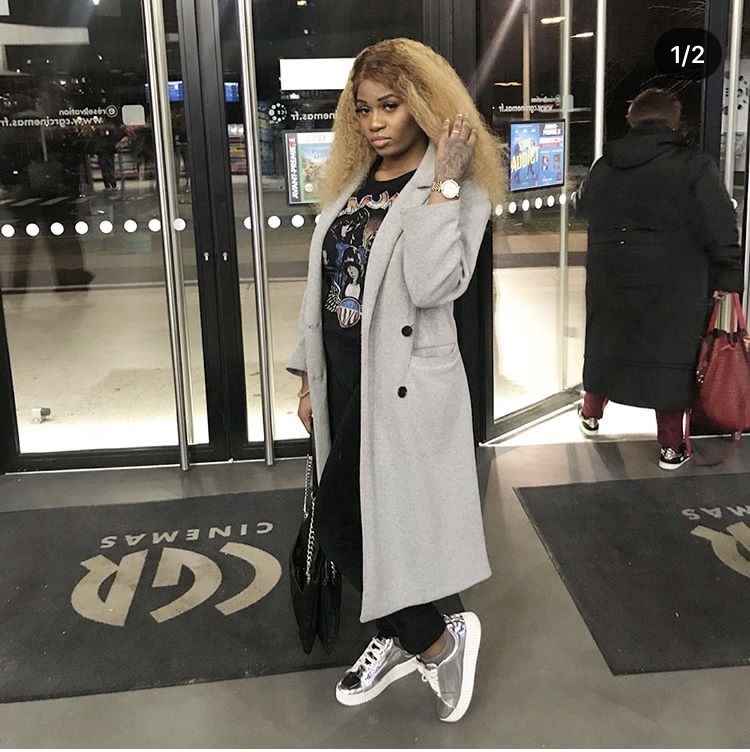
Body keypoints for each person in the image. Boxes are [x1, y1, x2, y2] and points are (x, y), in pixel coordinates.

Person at [286, 37, 503, 722]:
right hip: (343, 378)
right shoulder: (355, 181)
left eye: (391, 105)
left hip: (404, 383)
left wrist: (445, 180)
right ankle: (400, 634)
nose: (376, 122)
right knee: (371, 520)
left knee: (347, 522)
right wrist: (306, 376)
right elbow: (323, 286)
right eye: (364, 109)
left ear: (424, 106)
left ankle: (434, 641)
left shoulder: (458, 191)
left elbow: (434, 285)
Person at [575, 87, 744, 469]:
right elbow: (720, 223)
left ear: (631, 118)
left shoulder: (607, 164)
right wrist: (729, 275)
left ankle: (591, 413)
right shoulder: (694, 165)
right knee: (670, 355)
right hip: (675, 281)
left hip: (611, 275)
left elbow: (584, 205)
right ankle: (670, 446)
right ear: (674, 121)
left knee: (607, 343)